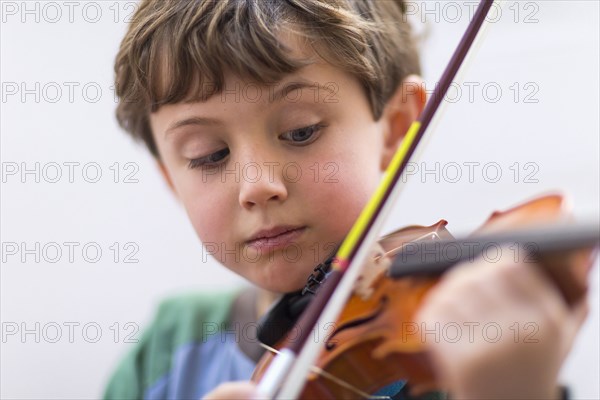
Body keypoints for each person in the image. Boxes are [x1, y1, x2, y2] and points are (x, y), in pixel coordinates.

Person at [104, 0, 588, 399]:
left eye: (300, 131)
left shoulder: (456, 356)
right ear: (171, 179)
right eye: (208, 156)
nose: (257, 185)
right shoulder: (166, 351)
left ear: (397, 128)